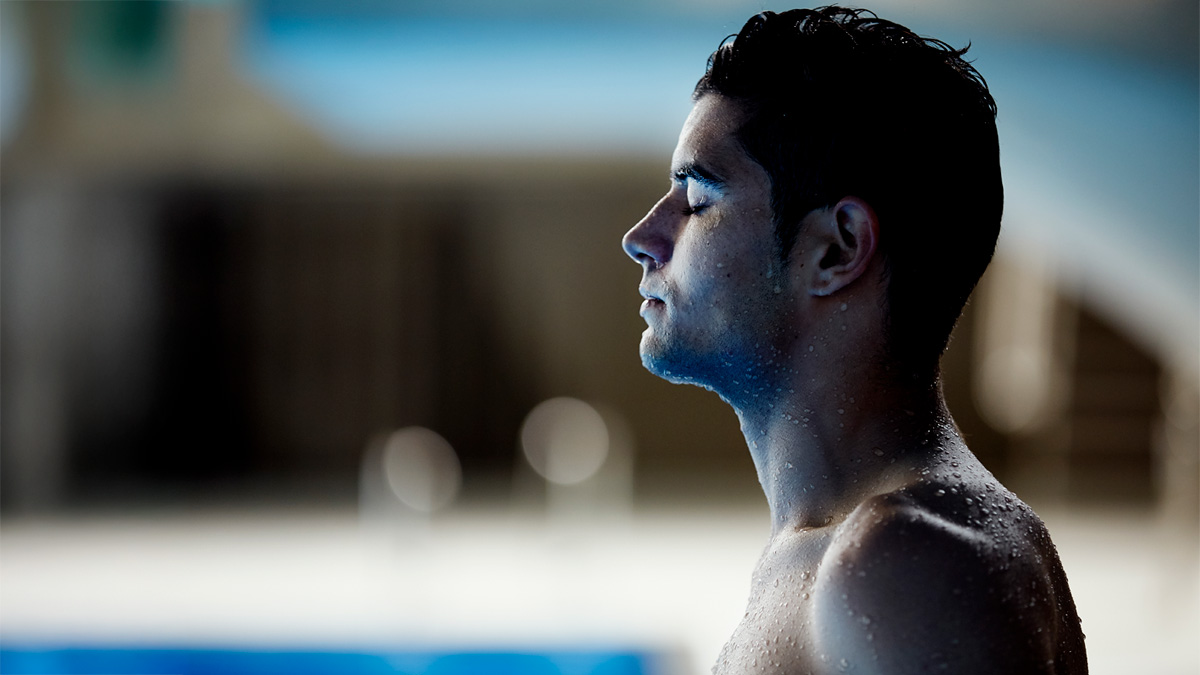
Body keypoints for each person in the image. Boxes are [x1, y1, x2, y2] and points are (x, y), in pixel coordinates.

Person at [620, 7, 1087, 674]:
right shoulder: (854, 546)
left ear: (837, 248)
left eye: (696, 198)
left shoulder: (903, 564)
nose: (642, 237)